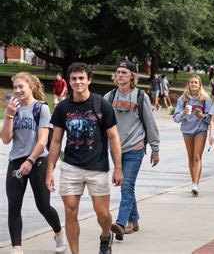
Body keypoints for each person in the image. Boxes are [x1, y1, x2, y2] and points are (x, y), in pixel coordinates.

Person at [46, 63, 124, 254]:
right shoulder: (63, 107)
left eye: (81, 78)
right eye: (74, 78)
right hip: (71, 167)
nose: (78, 82)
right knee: (70, 211)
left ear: (89, 79)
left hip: (97, 166)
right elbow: (56, 141)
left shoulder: (101, 105)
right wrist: (50, 170)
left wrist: (118, 167)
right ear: (69, 81)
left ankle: (106, 236)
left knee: (103, 214)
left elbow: (114, 137)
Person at [2, 72, 66, 254]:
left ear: (31, 86)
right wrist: (8, 116)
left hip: (38, 160)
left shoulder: (41, 109)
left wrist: (30, 160)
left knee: (43, 205)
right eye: (15, 87)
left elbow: (42, 140)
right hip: (16, 160)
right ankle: (17, 247)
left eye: (21, 86)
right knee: (14, 205)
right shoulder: (13, 109)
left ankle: (59, 232)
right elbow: (6, 140)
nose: (18, 90)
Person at [106, 60, 160, 241]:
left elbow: (150, 123)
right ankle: (134, 220)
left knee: (127, 185)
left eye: (124, 72)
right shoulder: (109, 97)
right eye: (118, 72)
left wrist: (155, 148)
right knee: (127, 186)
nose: (120, 75)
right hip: (116, 150)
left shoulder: (140, 96)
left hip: (135, 148)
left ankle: (121, 223)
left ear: (132, 77)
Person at [173, 75, 212, 196]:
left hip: (200, 129)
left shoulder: (205, 99)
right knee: (190, 156)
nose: (194, 84)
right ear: (188, 84)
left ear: (199, 85)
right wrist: (183, 113)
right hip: (187, 130)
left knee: (196, 156)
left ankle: (196, 184)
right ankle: (193, 181)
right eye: (192, 82)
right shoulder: (183, 99)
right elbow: (176, 118)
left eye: (196, 82)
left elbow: (210, 117)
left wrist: (203, 116)